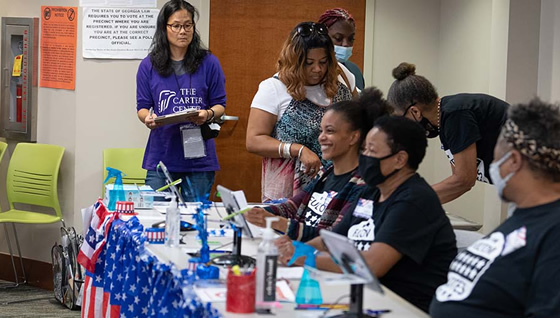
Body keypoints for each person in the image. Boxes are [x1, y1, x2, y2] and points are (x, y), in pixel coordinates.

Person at [277, 116, 457, 312]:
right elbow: (332, 239)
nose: (364, 157)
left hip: (403, 308)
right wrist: (295, 249)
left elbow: (372, 266)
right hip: (362, 296)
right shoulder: (371, 192)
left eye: (372, 151)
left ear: (399, 159)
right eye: (364, 150)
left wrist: (307, 259)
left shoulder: (414, 201)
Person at [430, 98, 560, 318]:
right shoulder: (518, 221)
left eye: (494, 158)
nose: (491, 167)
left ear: (514, 161)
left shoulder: (553, 232)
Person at [245, 88, 392, 242]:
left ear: (353, 137)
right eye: (321, 131)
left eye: (329, 131)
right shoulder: (327, 172)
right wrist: (257, 212)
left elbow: (333, 238)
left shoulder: (364, 184)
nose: (321, 138)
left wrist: (278, 223)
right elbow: (293, 206)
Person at [246, 21, 357, 202]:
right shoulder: (274, 88)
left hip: (338, 188)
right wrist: (297, 149)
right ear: (294, 60)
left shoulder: (342, 80)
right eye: (309, 63)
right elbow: (253, 140)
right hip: (289, 194)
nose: (317, 69)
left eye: (323, 62)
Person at [136, 0, 226, 202]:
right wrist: (148, 119)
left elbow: (220, 104)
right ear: (164, 28)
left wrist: (208, 114)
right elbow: (142, 108)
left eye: (188, 25)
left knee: (194, 222)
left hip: (199, 161)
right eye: (176, 26)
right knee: (157, 221)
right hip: (162, 157)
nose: (183, 31)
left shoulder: (209, 62)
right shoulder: (148, 65)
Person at [387, 62, 509, 204]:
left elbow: (464, 180)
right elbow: (458, 181)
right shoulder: (444, 121)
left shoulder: (455, 114)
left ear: (415, 111)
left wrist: (409, 199)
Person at [319, 8, 365, 90]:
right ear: (323, 37)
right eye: (338, 38)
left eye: (351, 39)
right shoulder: (314, 72)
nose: (345, 44)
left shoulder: (354, 71)